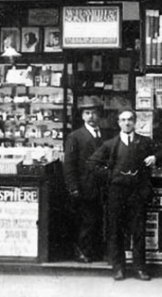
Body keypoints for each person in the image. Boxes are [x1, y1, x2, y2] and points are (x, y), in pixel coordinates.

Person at [88, 109, 162, 281]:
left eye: (130, 119)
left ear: (135, 121)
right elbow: (92, 163)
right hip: (116, 192)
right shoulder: (111, 144)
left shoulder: (145, 142)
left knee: (138, 230)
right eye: (123, 120)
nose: (127, 123)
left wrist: (154, 157)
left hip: (137, 192)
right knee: (115, 230)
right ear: (118, 123)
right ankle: (119, 268)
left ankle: (140, 267)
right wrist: (111, 175)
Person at [63, 99, 105, 263]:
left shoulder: (104, 134)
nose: (91, 117)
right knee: (86, 221)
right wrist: (73, 187)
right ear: (82, 116)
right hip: (84, 185)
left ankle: (95, 251)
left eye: (94, 113)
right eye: (87, 113)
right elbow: (69, 164)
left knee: (97, 219)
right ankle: (82, 251)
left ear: (99, 115)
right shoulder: (75, 136)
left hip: (101, 185)